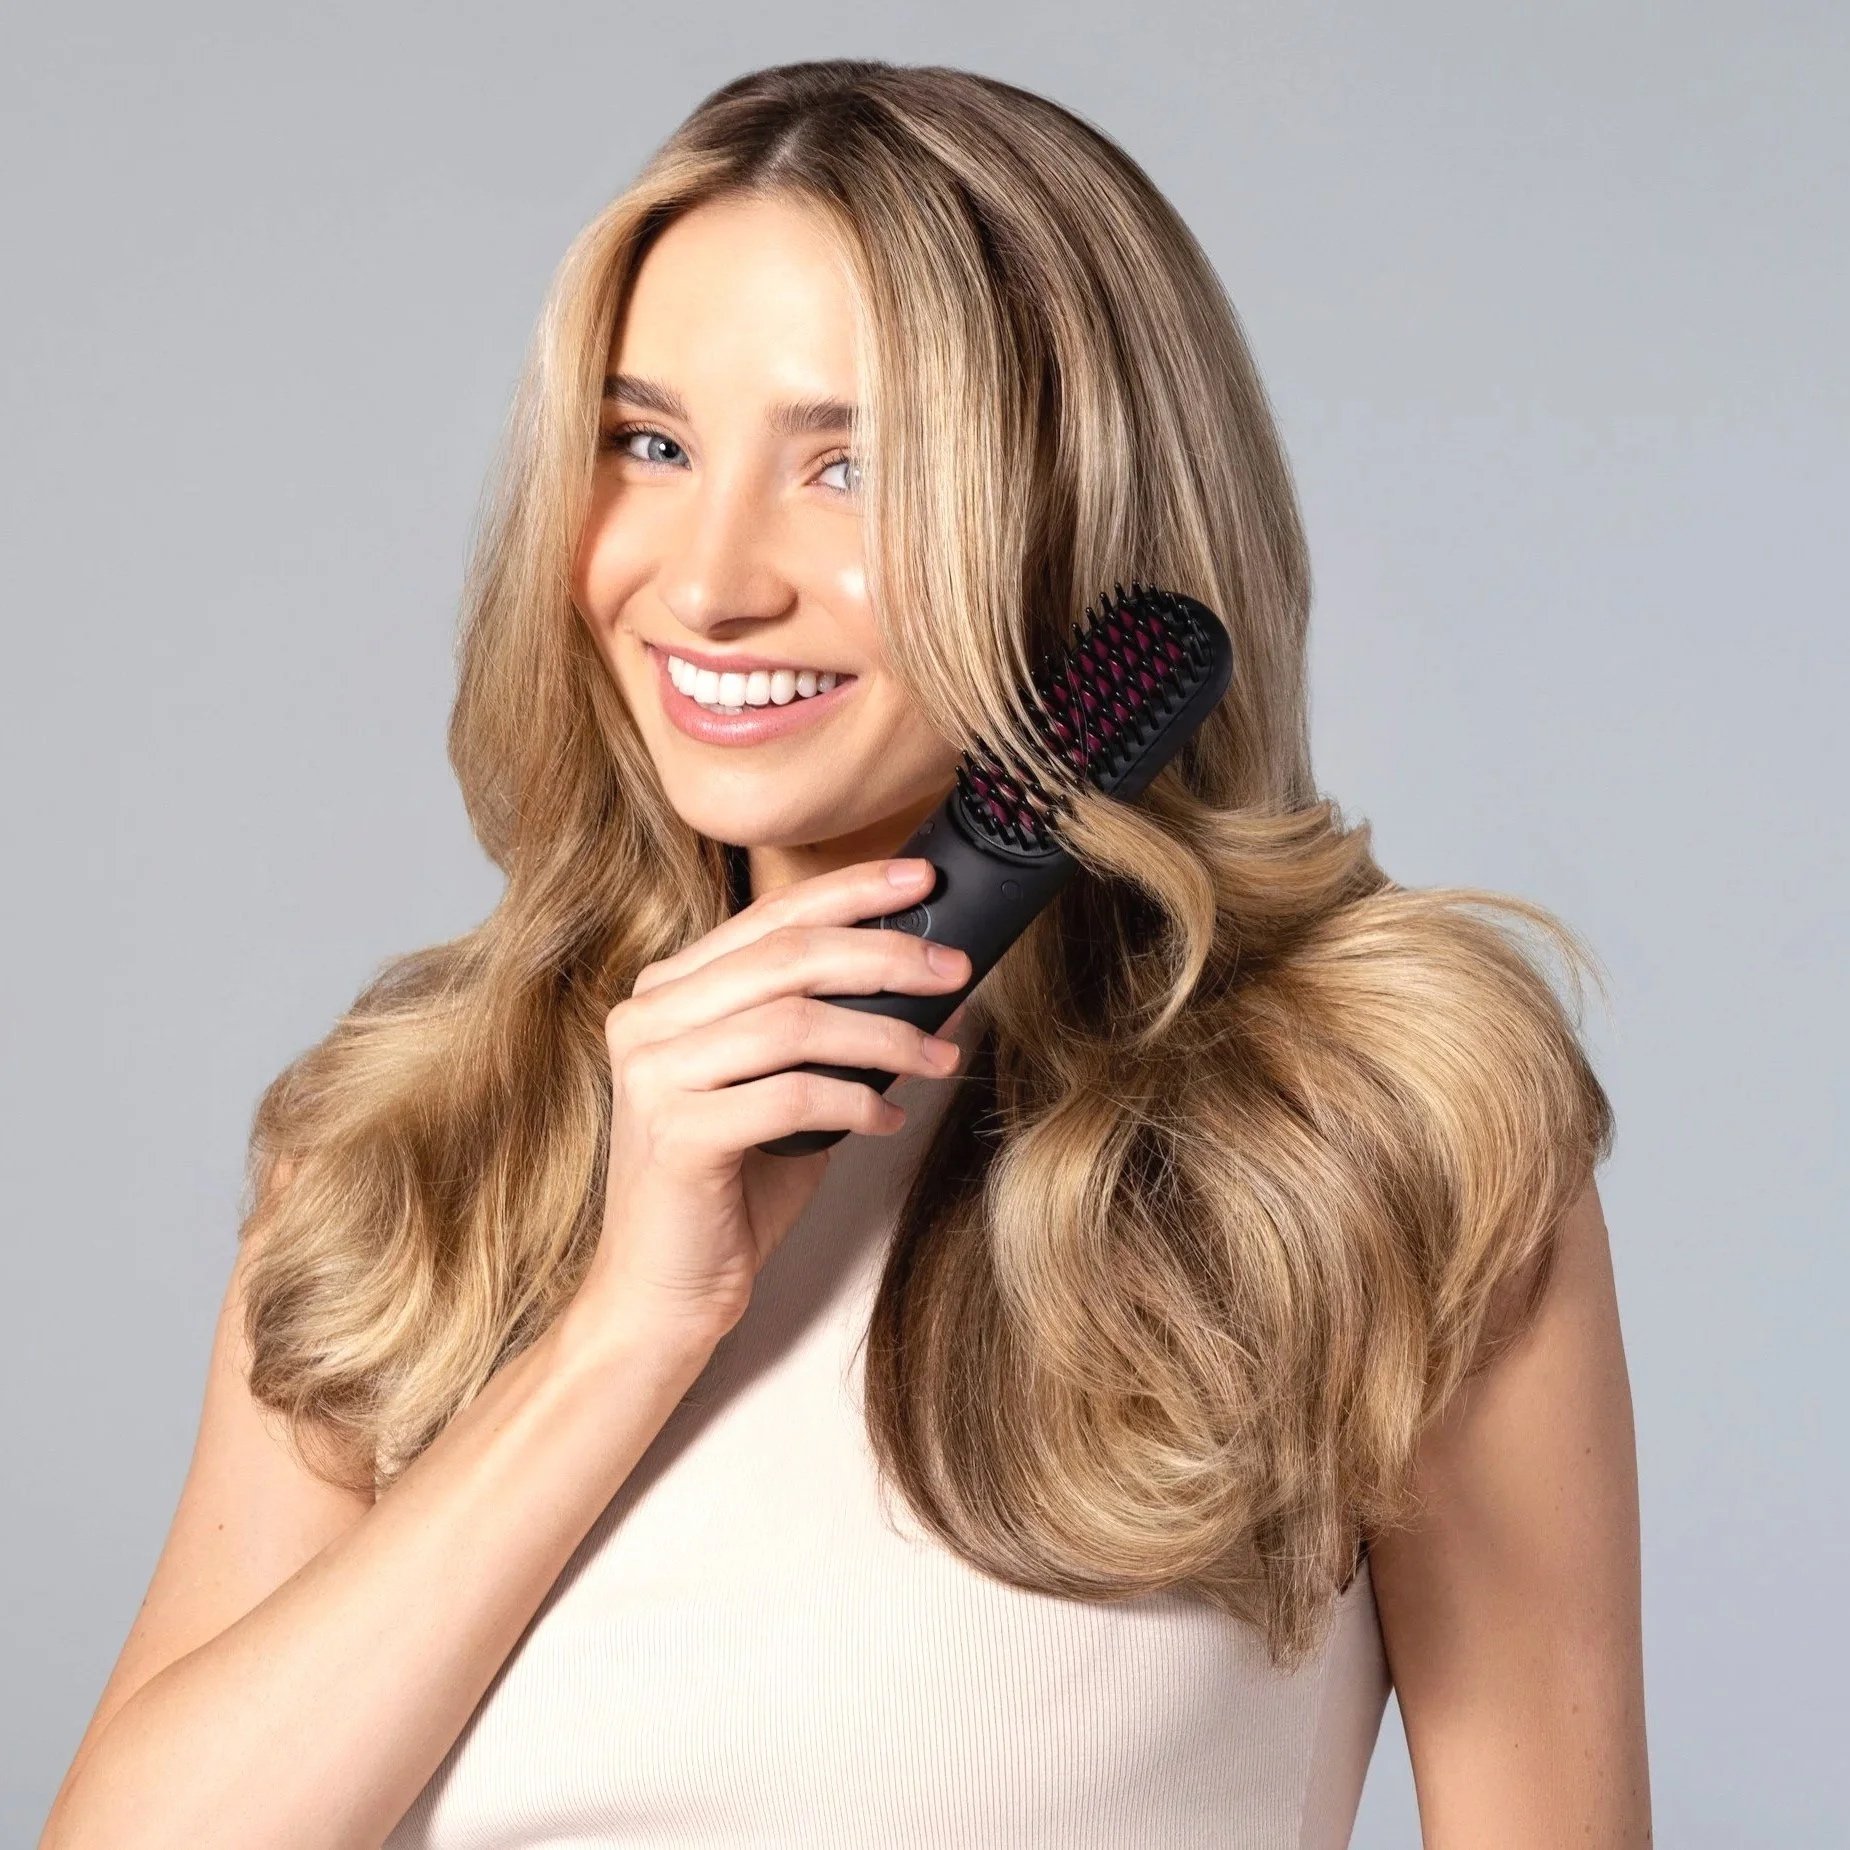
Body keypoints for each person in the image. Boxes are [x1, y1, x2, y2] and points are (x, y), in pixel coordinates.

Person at [41, 58, 1649, 1850]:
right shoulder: (408, 1137)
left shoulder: (1376, 1136)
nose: (709, 577)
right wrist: (624, 1329)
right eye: (648, 443)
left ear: (1085, 529)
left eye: (850, 464)